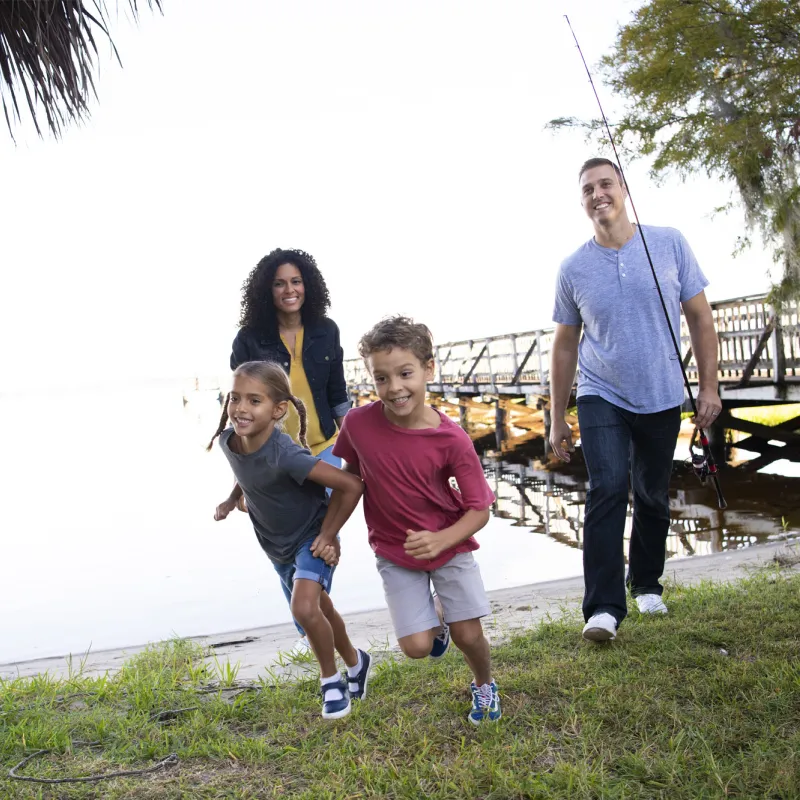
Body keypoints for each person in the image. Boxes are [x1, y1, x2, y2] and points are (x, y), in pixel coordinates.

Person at [549, 157, 722, 643]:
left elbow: (701, 320)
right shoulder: (573, 268)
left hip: (662, 392)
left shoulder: (668, 243)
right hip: (600, 392)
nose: (598, 194)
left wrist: (708, 386)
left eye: (606, 184)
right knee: (606, 488)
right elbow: (564, 344)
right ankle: (603, 608)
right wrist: (557, 414)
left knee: (650, 493)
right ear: (581, 201)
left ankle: (646, 583)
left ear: (623, 188)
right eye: (588, 189)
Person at [333, 316, 502, 725]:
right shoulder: (357, 424)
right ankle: (437, 620)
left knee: (467, 634)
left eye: (405, 373)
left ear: (428, 369)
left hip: (451, 544)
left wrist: (442, 540)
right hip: (394, 550)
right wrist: (328, 531)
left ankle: (484, 685)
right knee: (415, 647)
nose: (394, 388)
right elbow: (349, 481)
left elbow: (480, 508)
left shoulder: (452, 439)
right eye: (381, 378)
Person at [209, 361, 372, 719]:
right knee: (321, 610)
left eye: (254, 401)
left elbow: (351, 485)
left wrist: (329, 535)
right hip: (275, 544)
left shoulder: (287, 454)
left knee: (302, 608)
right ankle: (356, 662)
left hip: (310, 538)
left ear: (278, 409)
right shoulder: (228, 441)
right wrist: (231, 497)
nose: (240, 408)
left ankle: (331, 682)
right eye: (235, 398)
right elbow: (247, 470)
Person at [230, 248, 351, 652]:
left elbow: (338, 393)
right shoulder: (249, 340)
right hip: (277, 456)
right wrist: (241, 481)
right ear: (268, 289)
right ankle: (312, 623)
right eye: (280, 282)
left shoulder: (326, 330)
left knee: (320, 534)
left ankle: (311, 615)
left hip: (326, 447)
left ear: (308, 286)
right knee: (287, 547)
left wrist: (355, 442)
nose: (289, 289)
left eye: (296, 281)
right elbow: (241, 408)